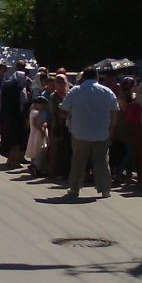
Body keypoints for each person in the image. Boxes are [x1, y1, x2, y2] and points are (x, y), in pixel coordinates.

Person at [60, 67, 121, 199]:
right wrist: (111, 130)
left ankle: (75, 188)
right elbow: (115, 112)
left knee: (78, 161)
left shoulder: (75, 91)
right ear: (97, 77)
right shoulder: (107, 91)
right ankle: (105, 190)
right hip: (102, 132)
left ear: (83, 77)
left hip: (79, 132)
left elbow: (64, 108)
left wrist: (71, 117)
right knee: (102, 161)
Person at [0, 65, 30, 168]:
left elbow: (0, 101)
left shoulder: (5, 86)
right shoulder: (20, 87)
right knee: (16, 141)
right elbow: (24, 102)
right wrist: (25, 116)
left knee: (9, 139)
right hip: (17, 117)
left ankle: (10, 160)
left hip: (6, 116)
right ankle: (12, 161)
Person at [27, 96, 50, 177]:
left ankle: (34, 166)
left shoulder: (32, 111)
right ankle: (38, 168)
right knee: (39, 151)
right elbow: (35, 123)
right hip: (38, 134)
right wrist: (42, 130)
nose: (44, 106)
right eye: (42, 104)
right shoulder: (36, 113)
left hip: (34, 133)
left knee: (36, 150)